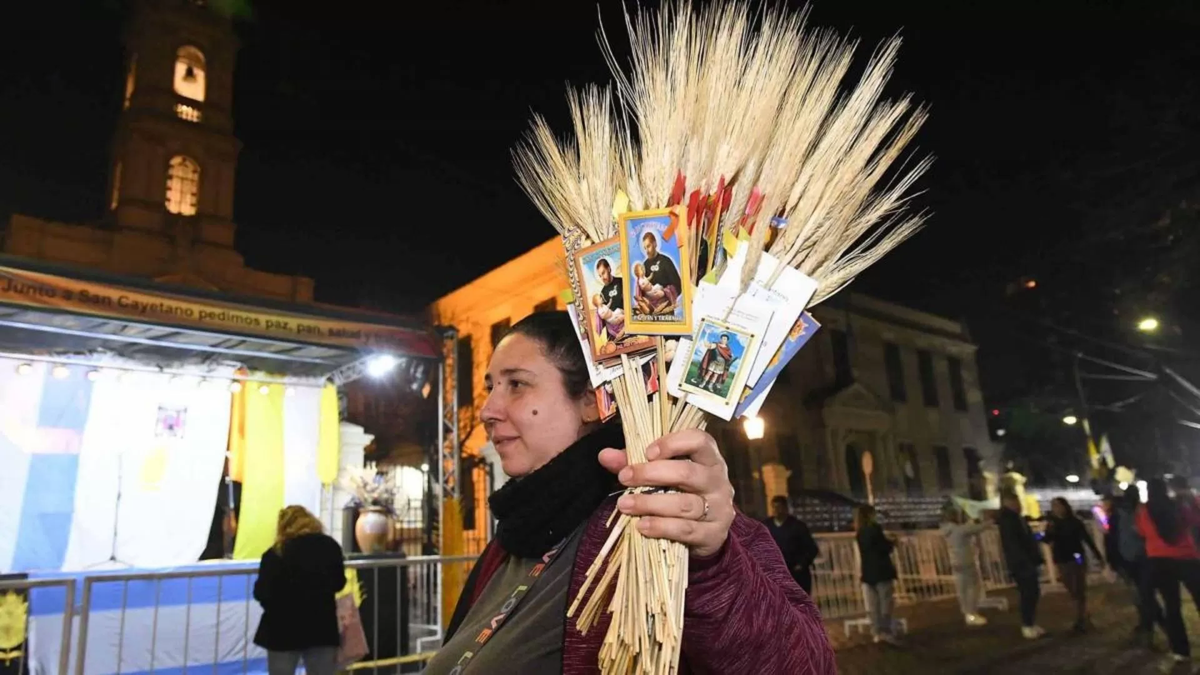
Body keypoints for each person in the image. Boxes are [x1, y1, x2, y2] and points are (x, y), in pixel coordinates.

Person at [426, 311, 835, 674]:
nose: (488, 410)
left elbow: (805, 664)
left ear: (590, 400)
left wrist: (713, 562)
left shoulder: (671, 522)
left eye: (516, 384)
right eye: (490, 386)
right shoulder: (512, 537)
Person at [253, 505, 347, 675]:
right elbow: (339, 583)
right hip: (321, 627)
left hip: (281, 629)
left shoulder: (275, 553)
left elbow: (261, 592)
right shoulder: (330, 546)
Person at [1137, 477, 1200, 670]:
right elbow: (1194, 520)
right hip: (1187, 557)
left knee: (1172, 607)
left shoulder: (1143, 510)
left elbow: (1142, 532)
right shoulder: (1178, 505)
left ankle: (1181, 651)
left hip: (1160, 561)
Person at [1112, 488, 1163, 647]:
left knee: (1144, 596)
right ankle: (1154, 626)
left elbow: (1113, 538)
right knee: (1144, 596)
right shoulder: (1139, 512)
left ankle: (1150, 628)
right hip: (1140, 558)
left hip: (1137, 559)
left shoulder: (1122, 514)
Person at [1043, 497, 1103, 633]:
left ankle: (1080, 619)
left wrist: (1097, 555)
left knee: (1079, 586)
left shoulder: (1075, 522)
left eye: (1058, 505)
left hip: (1077, 557)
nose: (1056, 509)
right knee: (1070, 587)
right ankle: (1083, 614)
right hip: (1062, 559)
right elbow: (1047, 539)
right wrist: (1044, 533)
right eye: (1054, 506)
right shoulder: (1052, 523)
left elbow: (1086, 538)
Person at [997, 490, 1045, 639]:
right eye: (1014, 501)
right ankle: (1027, 624)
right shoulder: (1009, 520)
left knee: (1031, 592)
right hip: (1022, 563)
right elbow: (1014, 544)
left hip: (1024, 561)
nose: (1018, 504)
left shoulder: (1015, 518)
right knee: (1028, 593)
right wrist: (1026, 560)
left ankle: (1030, 622)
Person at [854, 505, 901, 646]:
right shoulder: (875, 529)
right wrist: (893, 542)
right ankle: (886, 631)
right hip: (882, 570)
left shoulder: (859, 532)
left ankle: (876, 632)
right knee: (885, 603)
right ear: (870, 515)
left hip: (868, 572)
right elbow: (883, 548)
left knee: (873, 605)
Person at [939, 503, 989, 626]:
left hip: (955, 562)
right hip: (966, 561)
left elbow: (967, 528)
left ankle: (966, 612)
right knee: (973, 587)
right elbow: (978, 528)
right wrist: (989, 521)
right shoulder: (959, 530)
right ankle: (972, 613)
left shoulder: (947, 530)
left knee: (962, 589)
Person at [764, 495, 820, 594]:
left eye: (779, 507)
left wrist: (801, 565)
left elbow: (812, 549)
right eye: (774, 507)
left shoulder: (798, 526)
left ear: (786, 508)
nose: (776, 510)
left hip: (796, 574)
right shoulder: (766, 526)